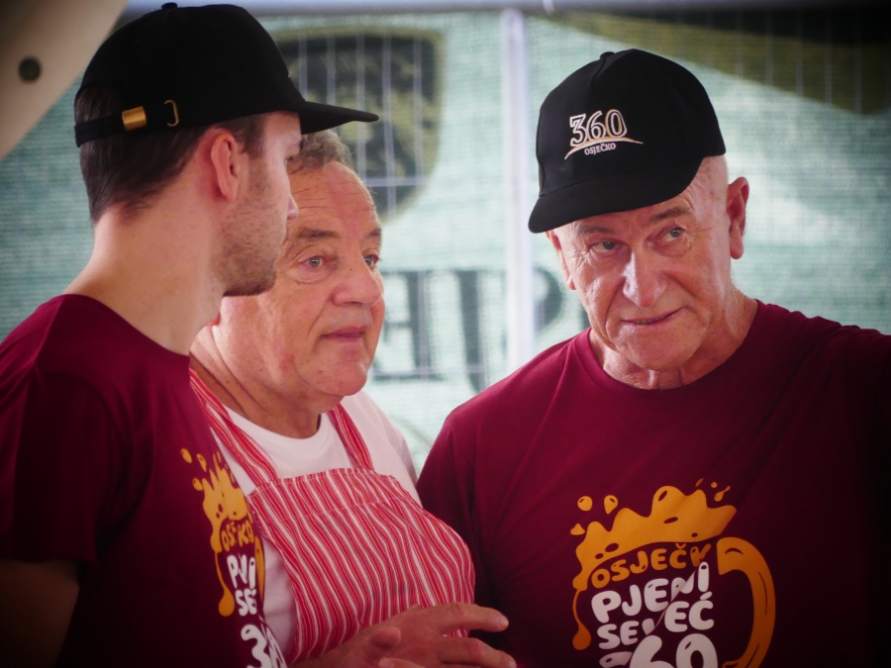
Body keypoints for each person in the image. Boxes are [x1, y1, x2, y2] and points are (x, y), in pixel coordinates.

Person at [417, 48, 890, 667]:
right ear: (562, 256)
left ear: (734, 218)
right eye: (603, 245)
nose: (642, 287)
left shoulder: (865, 392)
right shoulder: (481, 448)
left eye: (671, 232)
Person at [0, 4, 382, 666]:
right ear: (227, 163)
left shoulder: (150, 369)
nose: (291, 202)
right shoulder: (63, 386)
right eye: (286, 157)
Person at [189, 129, 516, 668]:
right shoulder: (172, 447)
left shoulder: (363, 419)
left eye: (370, 257)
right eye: (315, 260)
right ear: (218, 277)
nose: (368, 289)